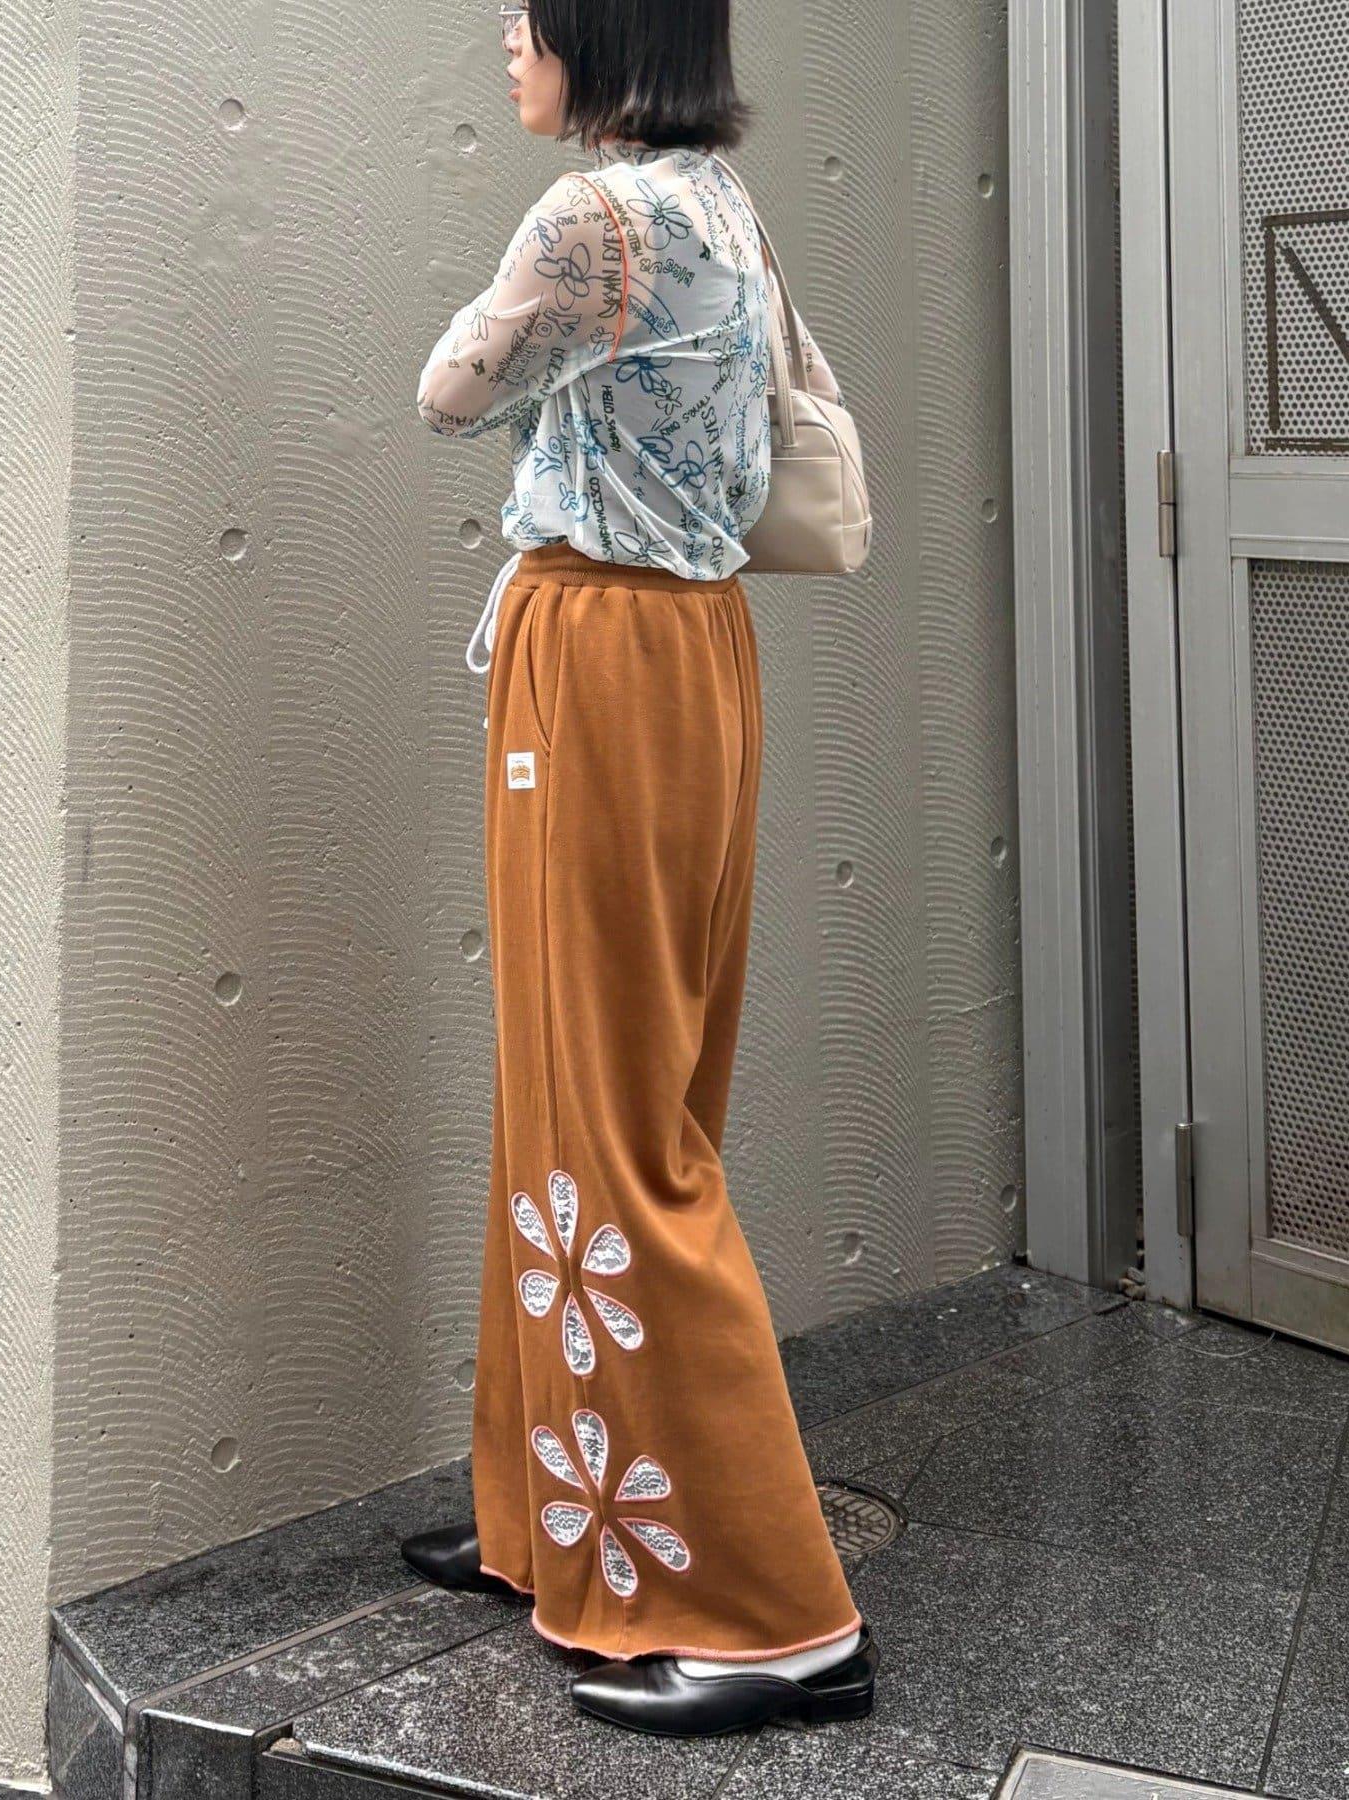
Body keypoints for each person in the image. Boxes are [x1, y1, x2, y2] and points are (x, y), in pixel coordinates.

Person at [401, 0, 875, 1738]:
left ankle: (772, 1617)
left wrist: (519, 324)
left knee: (606, 1114)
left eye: (527, 13)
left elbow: (447, 393)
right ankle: (559, 1520)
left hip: (599, 655)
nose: (504, 37)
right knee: (598, 1090)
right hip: (696, 653)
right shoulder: (721, 203)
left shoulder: (590, 217)